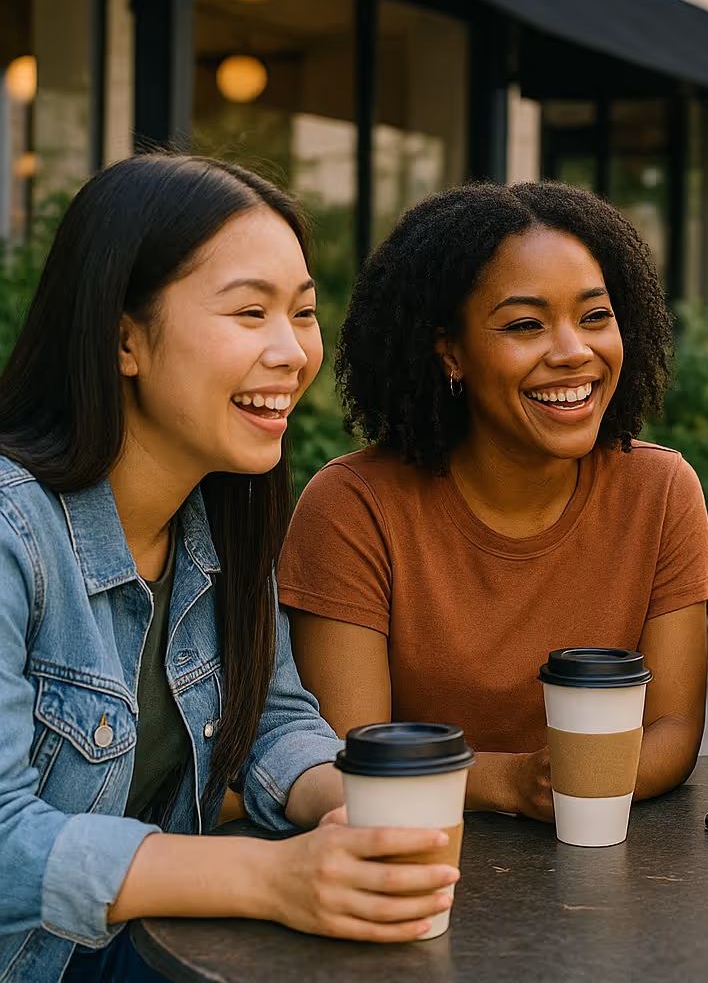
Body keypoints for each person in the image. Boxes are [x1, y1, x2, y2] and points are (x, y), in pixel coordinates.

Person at [0, 155, 458, 983]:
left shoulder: (221, 519)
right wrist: (272, 879)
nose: (291, 351)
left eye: (304, 313)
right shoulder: (11, 533)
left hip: (134, 951)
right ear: (124, 338)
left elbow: (272, 723)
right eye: (251, 311)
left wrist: (346, 805)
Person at [279, 182, 708, 821]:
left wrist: (570, 785)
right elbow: (350, 760)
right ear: (450, 350)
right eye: (525, 325)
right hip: (413, 866)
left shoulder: (660, 493)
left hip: (608, 868)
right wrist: (513, 783)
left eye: (595, 316)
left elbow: (673, 731)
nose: (574, 352)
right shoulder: (355, 508)